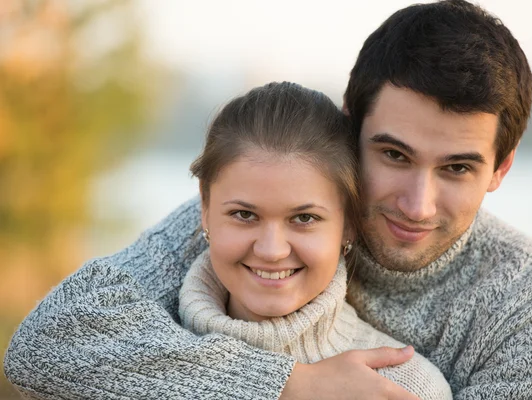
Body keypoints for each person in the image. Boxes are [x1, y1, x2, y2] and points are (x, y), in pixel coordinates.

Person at [4, 0, 532, 399]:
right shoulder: (272, 216)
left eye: (457, 168)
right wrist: (293, 385)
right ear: (349, 129)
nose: (417, 203)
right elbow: (49, 340)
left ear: (502, 167)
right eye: (393, 155)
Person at [177, 81, 451, 400]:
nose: (272, 250)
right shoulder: (128, 350)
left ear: (348, 225)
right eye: (244, 215)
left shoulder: (402, 385)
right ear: (205, 208)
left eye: (304, 218)